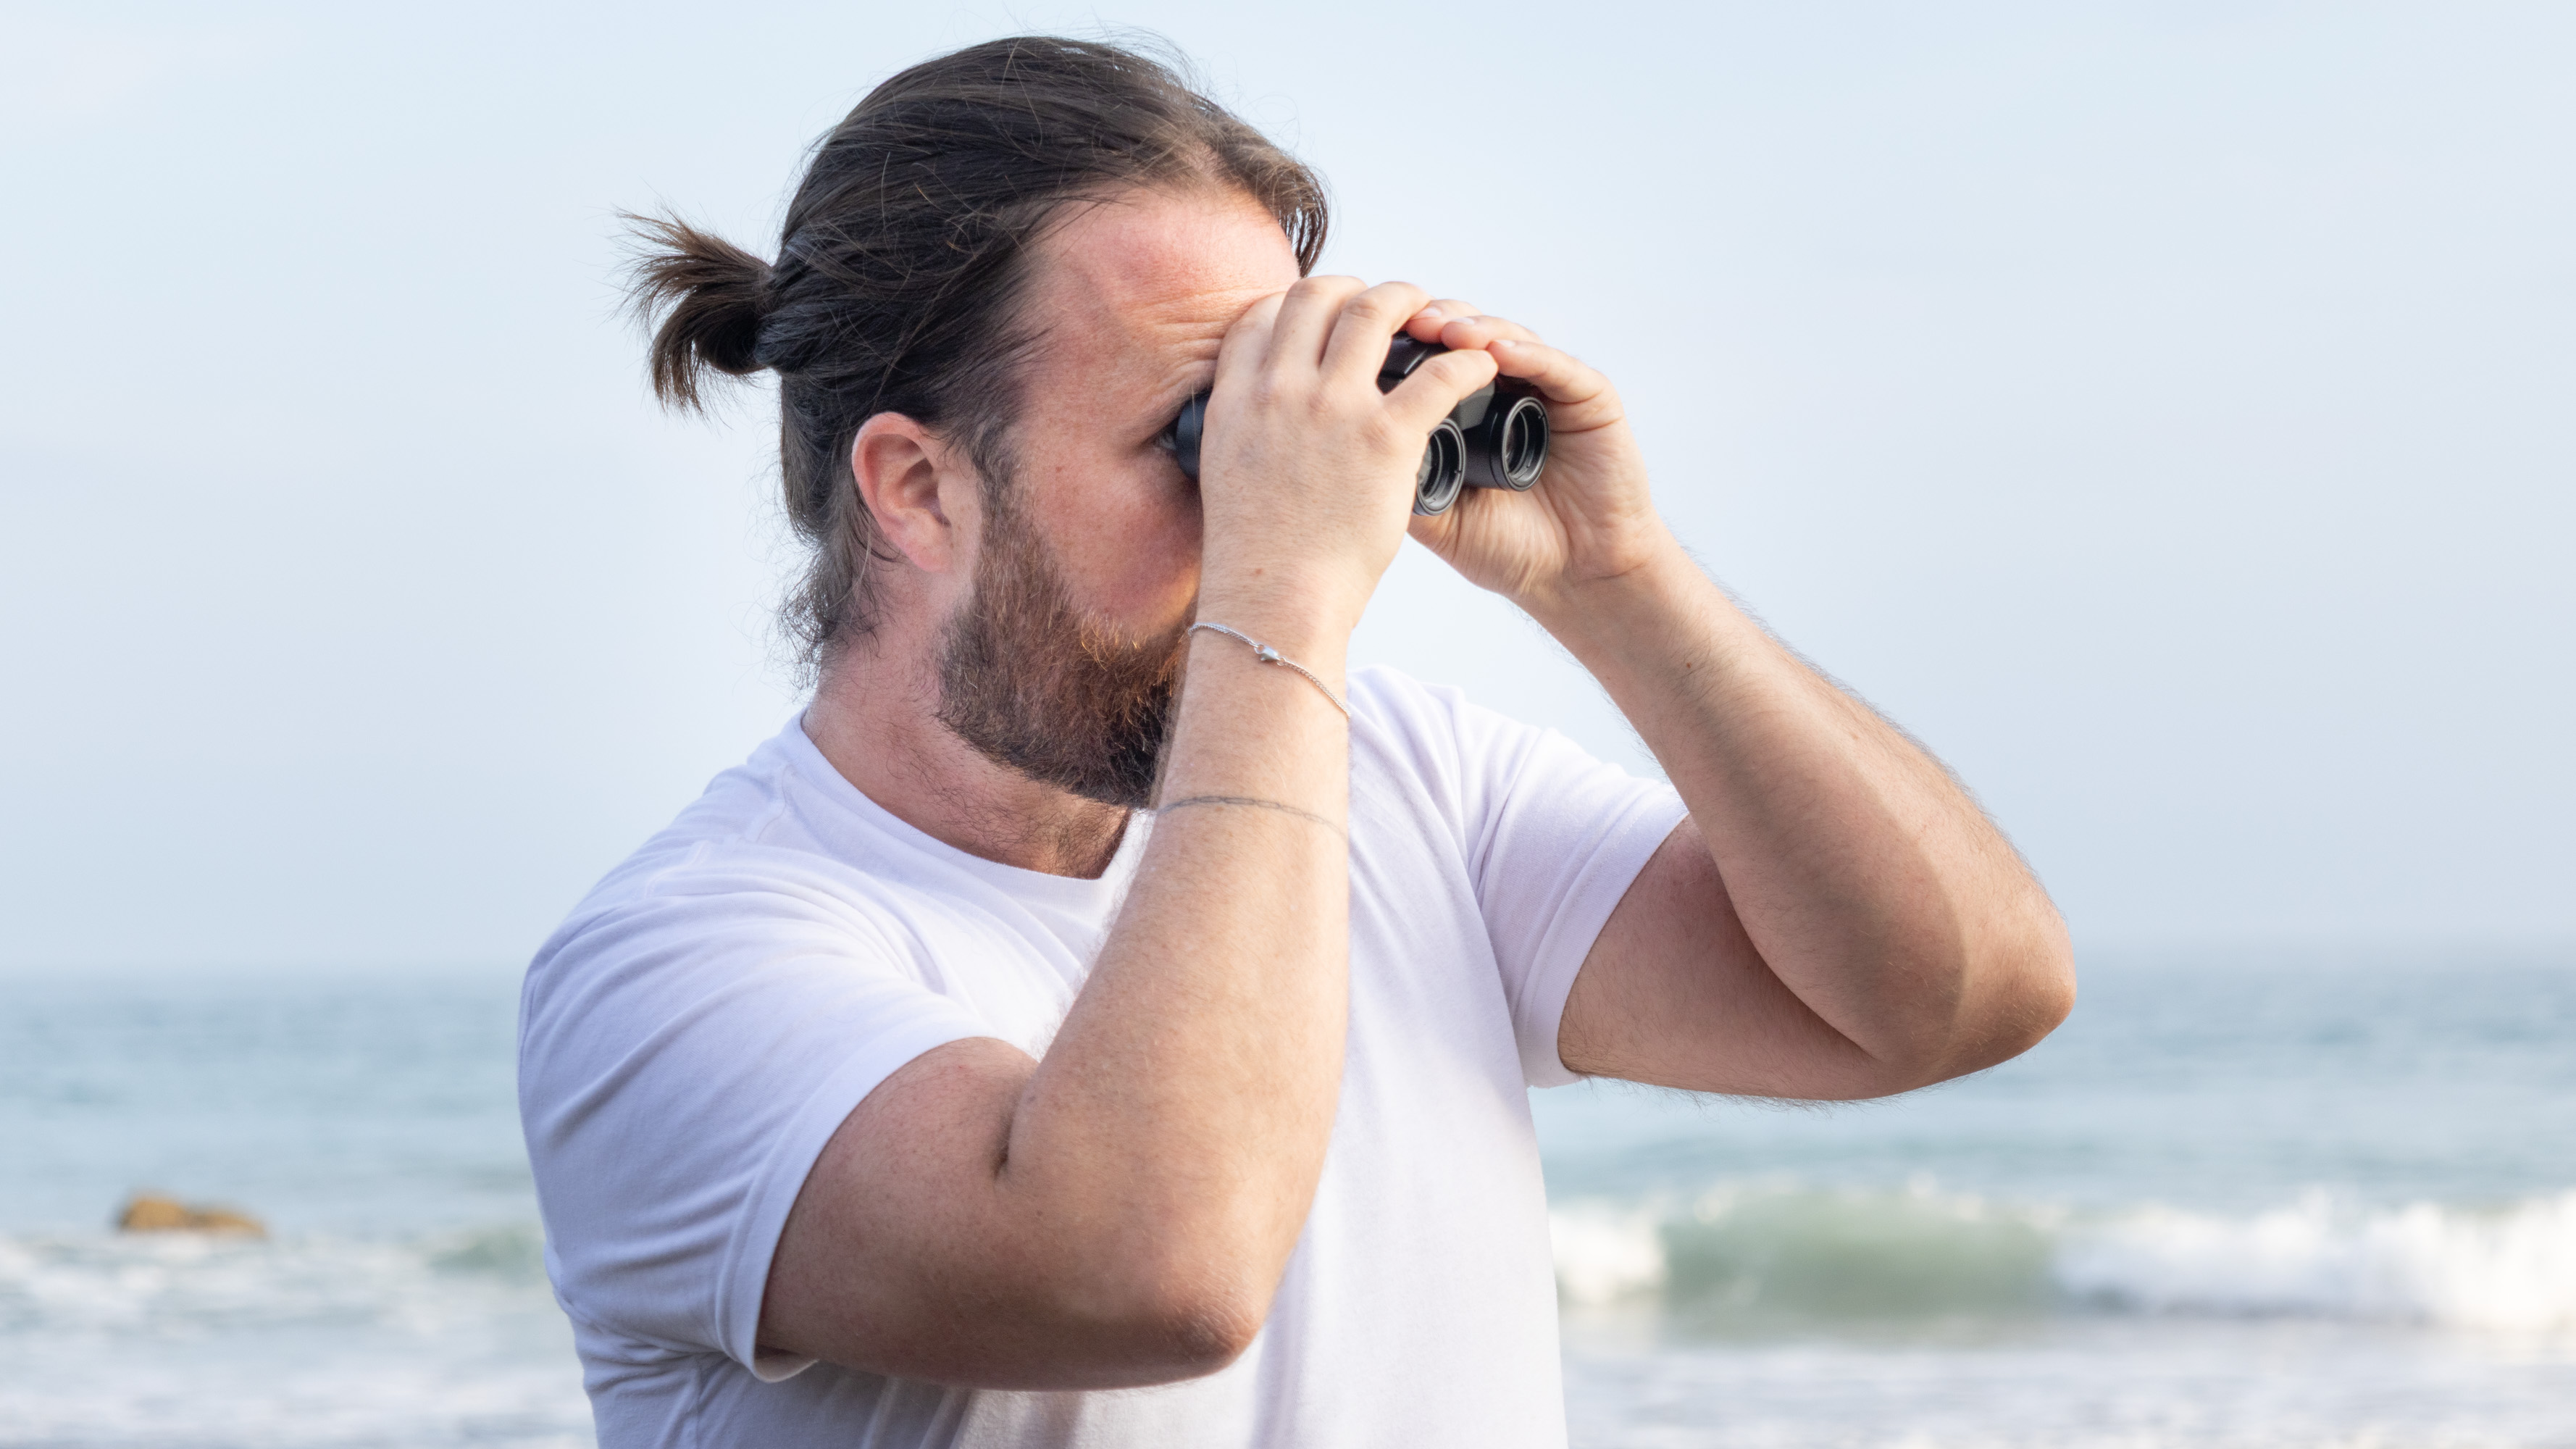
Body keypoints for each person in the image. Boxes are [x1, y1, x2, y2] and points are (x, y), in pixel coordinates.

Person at [517, 34, 2075, 1449]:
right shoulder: (672, 973)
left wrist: (1621, 582)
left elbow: (1947, 1000)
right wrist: (1280, 597)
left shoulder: (1403, 781)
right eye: (1205, 436)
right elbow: (1150, 1265)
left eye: (1283, 422)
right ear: (918, 489)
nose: (1271, 497)